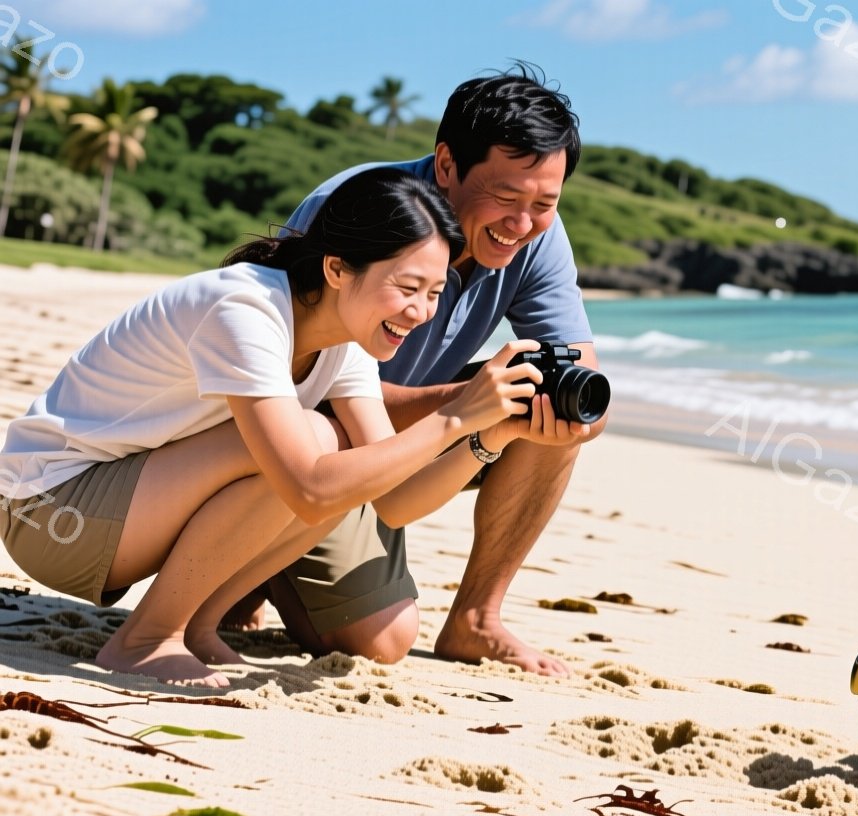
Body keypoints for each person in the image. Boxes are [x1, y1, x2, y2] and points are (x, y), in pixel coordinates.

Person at [0, 168, 563, 687]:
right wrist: (456, 415)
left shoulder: (346, 340)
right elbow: (310, 485)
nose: (421, 312)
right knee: (317, 446)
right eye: (408, 288)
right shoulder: (245, 310)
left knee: (346, 463)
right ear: (338, 268)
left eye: (435, 294)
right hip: (49, 512)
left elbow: (392, 501)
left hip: (121, 509)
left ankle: (197, 625)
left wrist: (492, 435)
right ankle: (146, 638)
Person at [226, 63, 603, 677]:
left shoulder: (535, 231)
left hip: (407, 433)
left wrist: (529, 404)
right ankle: (250, 564)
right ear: (447, 164)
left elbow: (587, 380)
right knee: (380, 640)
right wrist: (473, 402)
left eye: (544, 203)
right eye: (505, 197)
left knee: (553, 406)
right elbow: (312, 391)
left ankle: (477, 619)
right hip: (313, 440)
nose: (522, 223)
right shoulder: (365, 212)